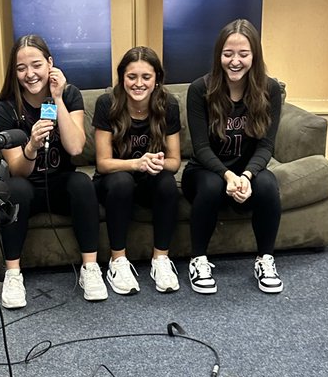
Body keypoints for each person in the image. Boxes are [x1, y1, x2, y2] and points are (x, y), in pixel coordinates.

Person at [0, 34, 107, 309]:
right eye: (21, 68)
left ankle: (90, 270)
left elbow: (76, 147)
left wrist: (57, 99)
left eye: (36, 65)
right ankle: (13, 274)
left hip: (60, 183)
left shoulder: (69, 94)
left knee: (82, 183)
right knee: (15, 189)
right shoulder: (5, 107)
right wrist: (31, 145)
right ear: (14, 72)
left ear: (50, 64)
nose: (30, 74)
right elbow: (18, 170)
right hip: (27, 187)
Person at [182, 18, 284, 295]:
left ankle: (265, 259)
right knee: (212, 185)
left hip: (247, 172)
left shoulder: (270, 90)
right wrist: (228, 175)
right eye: (228, 54)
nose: (235, 61)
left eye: (243, 54)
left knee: (268, 184)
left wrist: (247, 176)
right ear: (219, 56)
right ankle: (198, 260)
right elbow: (201, 147)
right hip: (204, 172)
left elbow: (266, 146)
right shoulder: (200, 90)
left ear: (255, 56)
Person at [92, 47, 181, 294]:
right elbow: (103, 163)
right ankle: (118, 261)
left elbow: (174, 161)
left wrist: (155, 163)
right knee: (122, 181)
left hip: (147, 181)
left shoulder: (169, 104)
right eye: (132, 77)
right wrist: (137, 163)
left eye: (146, 77)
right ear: (122, 78)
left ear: (157, 80)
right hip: (111, 183)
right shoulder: (107, 103)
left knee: (166, 182)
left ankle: (160, 260)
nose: (138, 84)